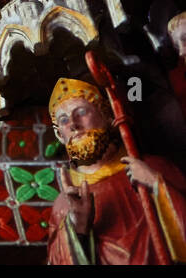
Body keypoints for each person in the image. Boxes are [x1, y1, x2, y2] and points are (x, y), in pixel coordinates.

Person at [47, 78, 186, 265]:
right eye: (63, 120)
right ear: (59, 135)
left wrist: (158, 186)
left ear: (108, 116)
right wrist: (78, 230)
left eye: (81, 112)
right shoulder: (65, 204)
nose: (73, 124)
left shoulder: (153, 168)